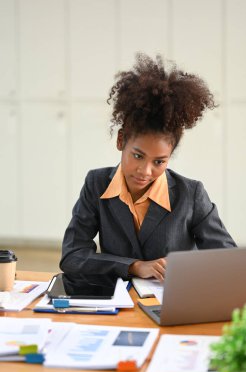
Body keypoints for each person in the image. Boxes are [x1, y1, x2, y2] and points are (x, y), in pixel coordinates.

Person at [60, 53, 236, 282]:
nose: (145, 171)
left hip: (173, 302)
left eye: (159, 162)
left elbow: (227, 260)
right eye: (137, 155)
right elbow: (73, 256)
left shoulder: (191, 194)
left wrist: (189, 272)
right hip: (119, 302)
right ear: (121, 140)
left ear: (170, 157)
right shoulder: (97, 184)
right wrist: (134, 266)